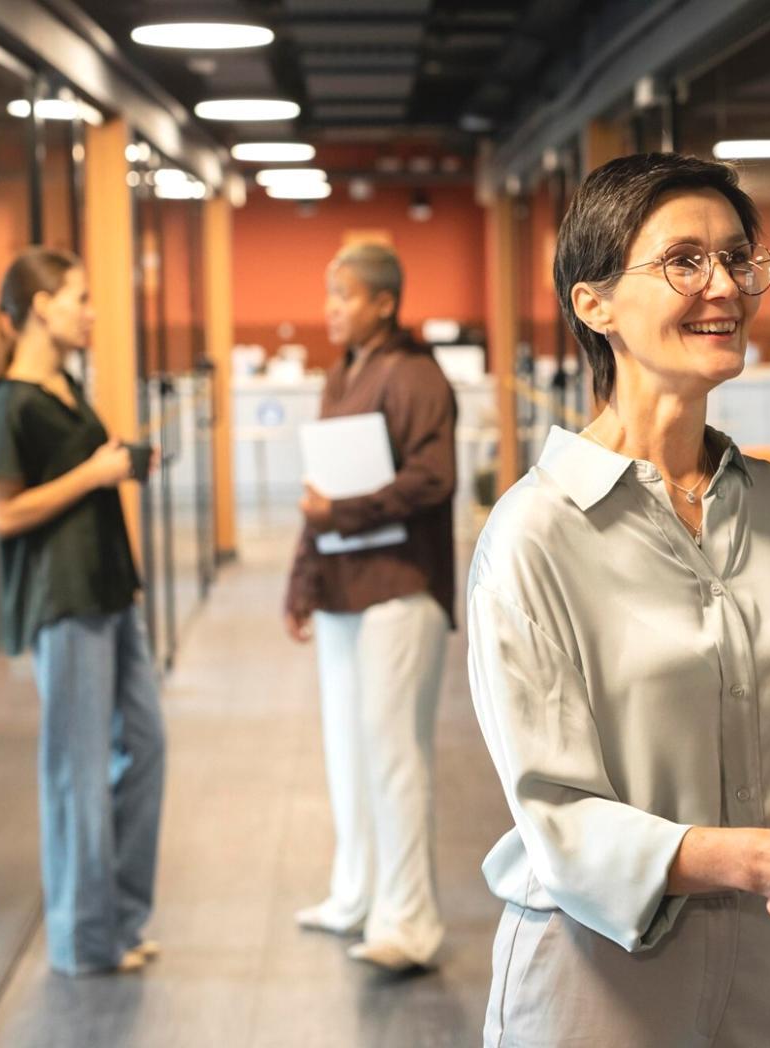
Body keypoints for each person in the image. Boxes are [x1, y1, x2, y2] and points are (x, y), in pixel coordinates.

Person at [466, 152, 770, 1046]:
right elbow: (560, 823)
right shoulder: (534, 534)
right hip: (599, 980)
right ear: (593, 303)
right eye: (683, 261)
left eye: (738, 257)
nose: (724, 285)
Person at [0, 248, 164, 976]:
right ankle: (83, 939)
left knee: (145, 746)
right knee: (76, 769)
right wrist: (94, 472)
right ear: (39, 307)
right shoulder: (10, 402)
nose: (90, 312)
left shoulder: (65, 386)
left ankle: (118, 919)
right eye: (79, 298)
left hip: (109, 589)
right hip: (63, 600)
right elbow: (3, 514)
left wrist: (111, 466)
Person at [283, 242, 457, 971]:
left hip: (398, 591)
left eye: (345, 295)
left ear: (384, 303)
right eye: (329, 294)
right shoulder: (343, 373)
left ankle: (409, 923)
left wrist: (343, 513)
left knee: (393, 758)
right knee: (347, 751)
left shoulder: (415, 376)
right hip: (343, 592)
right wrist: (302, 581)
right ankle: (355, 894)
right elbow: (317, 497)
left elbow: (433, 478)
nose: (331, 308)